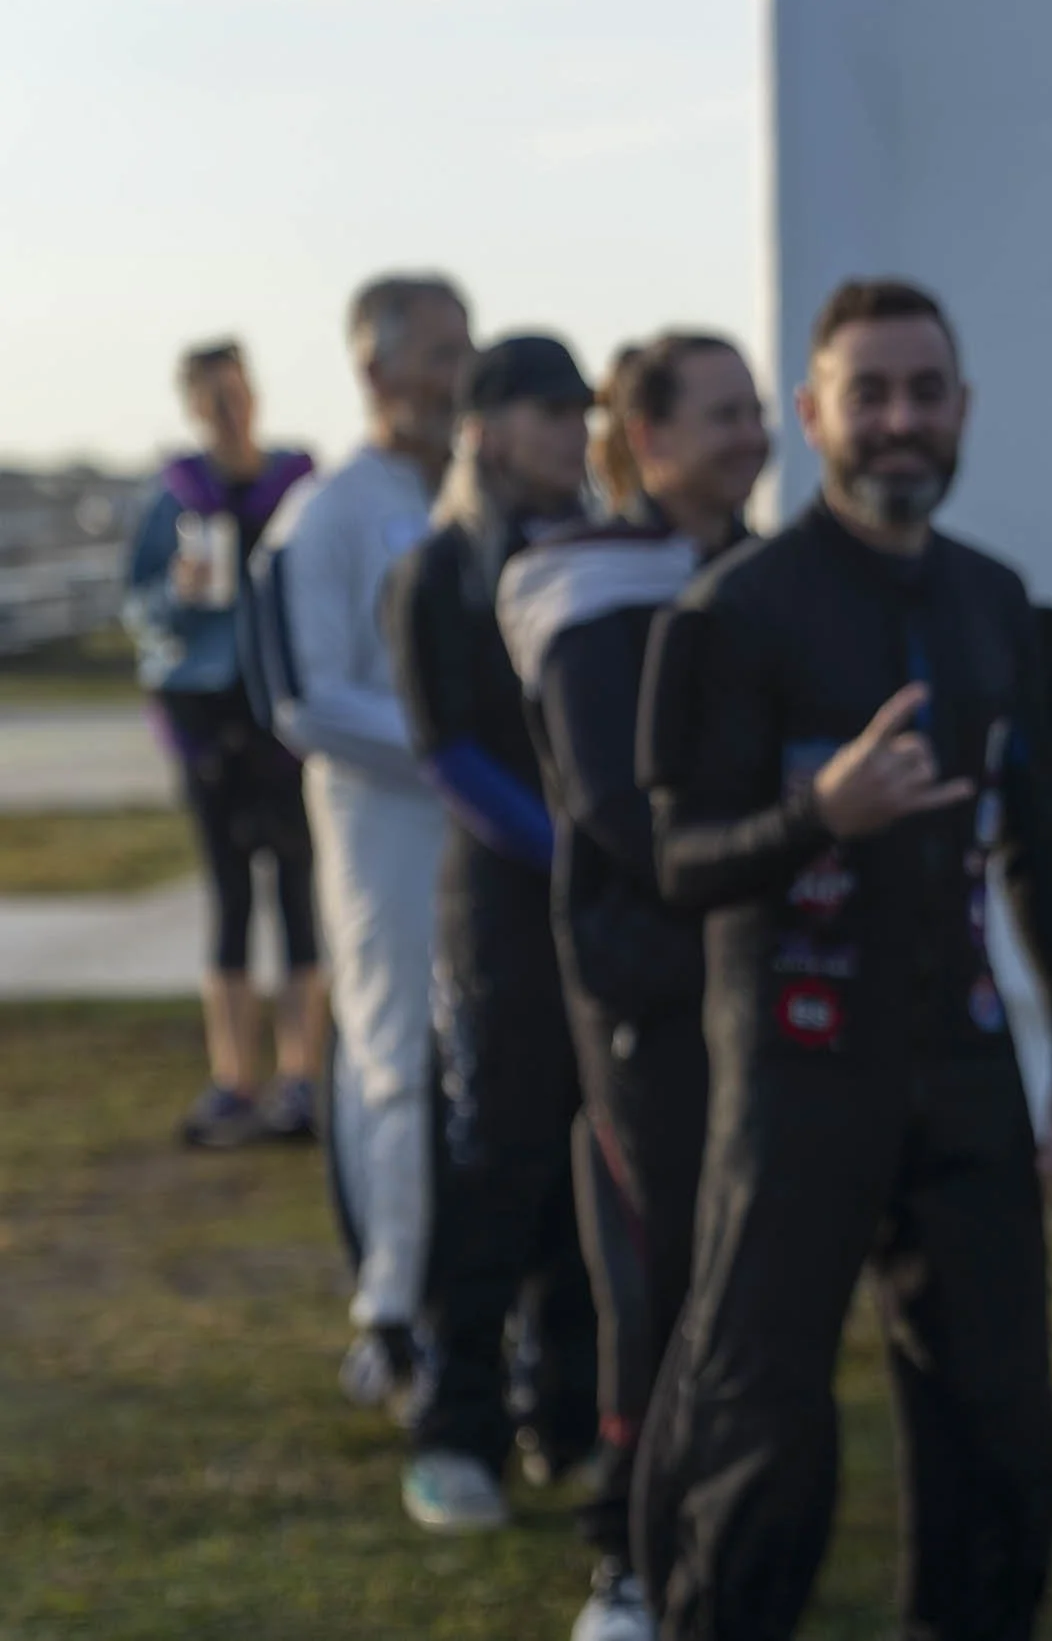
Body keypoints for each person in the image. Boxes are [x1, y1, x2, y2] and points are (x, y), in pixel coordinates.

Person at [631, 278, 1052, 1641]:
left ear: (961, 407)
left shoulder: (1001, 605)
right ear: (813, 413)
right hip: (792, 1075)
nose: (900, 421)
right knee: (760, 1426)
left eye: (925, 390)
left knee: (999, 1426)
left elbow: (1040, 845)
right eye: (871, 393)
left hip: (960, 1064)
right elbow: (671, 864)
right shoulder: (732, 612)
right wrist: (815, 815)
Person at [494, 331, 770, 1641]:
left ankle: (732, 1527)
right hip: (648, 990)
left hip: (770, 977)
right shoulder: (577, 581)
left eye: (758, 408)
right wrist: (777, 838)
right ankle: (629, 1553)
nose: (752, 432)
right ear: (644, 437)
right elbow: (615, 804)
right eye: (722, 413)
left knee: (759, 1269)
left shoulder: (772, 568)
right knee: (654, 1274)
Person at [381, 331, 607, 1541]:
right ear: (487, 428)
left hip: (604, 906)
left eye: (581, 408)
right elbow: (450, 751)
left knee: (594, 1161)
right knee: (494, 1168)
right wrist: (575, 844)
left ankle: (569, 1414)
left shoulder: (603, 558)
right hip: (506, 915)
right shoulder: (437, 573)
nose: (574, 429)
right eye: (550, 409)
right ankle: (454, 1428)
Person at [256, 274, 470, 1413]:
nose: (456, 376)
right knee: (393, 1054)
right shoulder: (330, 512)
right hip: (384, 822)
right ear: (375, 370)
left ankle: (482, 1301)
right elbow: (306, 696)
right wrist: (451, 743)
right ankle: (390, 1310)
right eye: (436, 353)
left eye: (465, 350)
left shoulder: (475, 499)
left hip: (489, 825)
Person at [123, 338, 325, 1147]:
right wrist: (176, 596)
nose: (228, 409)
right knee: (231, 898)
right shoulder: (172, 497)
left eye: (236, 393)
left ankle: (302, 1075)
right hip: (206, 717)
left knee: (301, 898)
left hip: (285, 716)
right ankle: (233, 1077)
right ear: (191, 405)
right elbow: (135, 606)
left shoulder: (300, 485)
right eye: (212, 398)